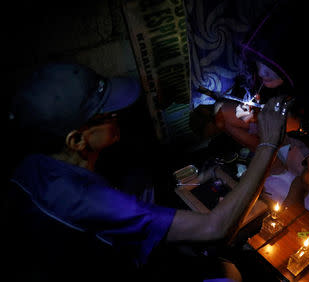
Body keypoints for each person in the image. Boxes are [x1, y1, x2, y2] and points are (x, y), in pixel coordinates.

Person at [5, 62, 288, 281]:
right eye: (107, 113)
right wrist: (268, 143)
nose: (118, 115)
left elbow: (147, 190)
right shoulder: (86, 199)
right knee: (230, 274)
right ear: (77, 140)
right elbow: (215, 229)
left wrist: (192, 178)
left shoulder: (32, 165)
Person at [212, 0, 309, 209]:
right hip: (275, 134)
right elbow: (252, 108)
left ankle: (297, 182)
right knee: (222, 115)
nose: (262, 72)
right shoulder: (264, 78)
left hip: (307, 146)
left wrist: (287, 124)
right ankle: (272, 163)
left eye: (270, 65)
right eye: (259, 63)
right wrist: (250, 112)